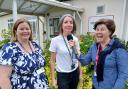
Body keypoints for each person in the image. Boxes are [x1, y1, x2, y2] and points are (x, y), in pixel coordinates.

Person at [75, 19, 128, 89]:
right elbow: (85, 61)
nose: (98, 32)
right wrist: (75, 50)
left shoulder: (119, 49)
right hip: (95, 86)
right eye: (97, 29)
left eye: (102, 29)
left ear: (110, 32)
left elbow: (123, 74)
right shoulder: (94, 46)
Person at [0, 18, 49, 89]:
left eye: (27, 29)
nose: (25, 31)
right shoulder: (9, 48)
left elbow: (40, 68)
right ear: (15, 31)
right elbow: (3, 77)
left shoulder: (35, 45)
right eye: (21, 29)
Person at [49, 14, 81, 89]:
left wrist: (81, 74)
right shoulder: (55, 40)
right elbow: (52, 61)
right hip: (62, 74)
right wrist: (53, 79)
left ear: (73, 25)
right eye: (66, 22)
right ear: (61, 25)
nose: (69, 24)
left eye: (71, 22)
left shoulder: (75, 39)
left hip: (75, 72)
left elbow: (78, 58)